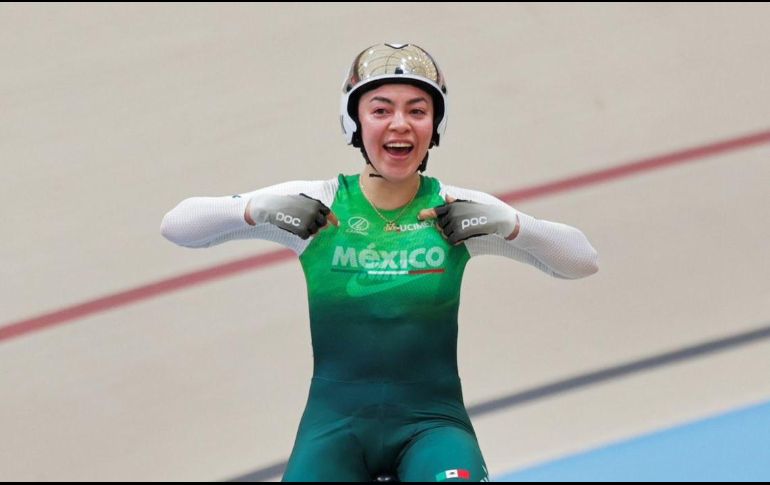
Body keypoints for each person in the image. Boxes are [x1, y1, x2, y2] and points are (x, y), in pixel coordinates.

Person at [161, 43, 599, 482]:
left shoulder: (457, 208)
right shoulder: (320, 202)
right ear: (354, 121)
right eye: (381, 110)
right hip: (334, 429)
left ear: (436, 124)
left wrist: (511, 223)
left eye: (417, 110)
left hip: (433, 426)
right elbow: (176, 226)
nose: (400, 124)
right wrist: (253, 209)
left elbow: (582, 260)